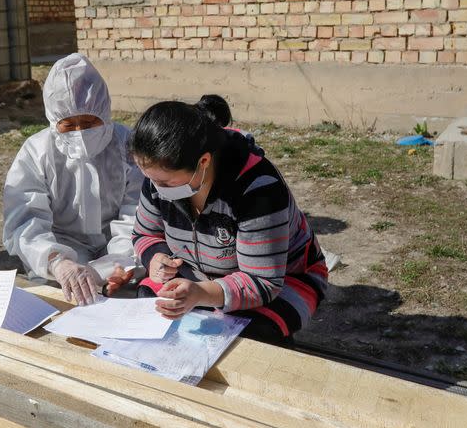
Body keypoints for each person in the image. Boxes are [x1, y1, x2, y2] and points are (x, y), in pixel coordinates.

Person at [129, 95, 328, 343]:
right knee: (149, 305)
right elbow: (144, 233)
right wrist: (155, 257)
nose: (156, 189)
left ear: (203, 161)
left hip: (283, 280)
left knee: (248, 338)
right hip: (197, 276)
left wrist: (202, 293)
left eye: (165, 182)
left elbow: (263, 282)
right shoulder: (158, 178)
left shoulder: (258, 188)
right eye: (151, 179)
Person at [3, 54, 143, 305]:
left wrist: (113, 264)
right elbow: (25, 222)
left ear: (104, 112)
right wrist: (57, 261)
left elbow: (136, 214)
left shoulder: (125, 145)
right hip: (62, 248)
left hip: (118, 248)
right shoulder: (37, 151)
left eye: (90, 121)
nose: (80, 132)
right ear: (54, 120)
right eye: (69, 124)